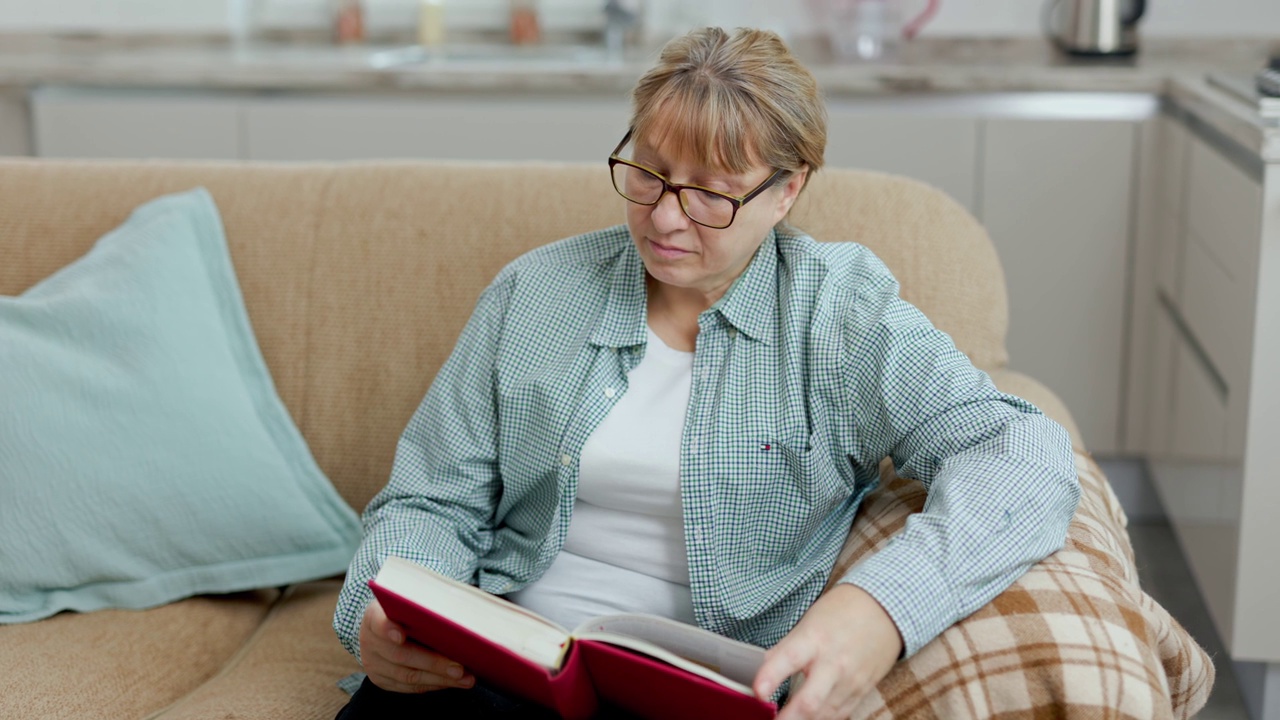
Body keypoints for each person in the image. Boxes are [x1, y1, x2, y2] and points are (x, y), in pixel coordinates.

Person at [332, 26, 1080, 720]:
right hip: (495, 670)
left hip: (691, 693)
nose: (663, 218)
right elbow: (428, 500)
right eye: (649, 174)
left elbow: (1021, 452)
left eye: (710, 193)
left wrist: (880, 610)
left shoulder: (840, 318)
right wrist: (384, 610)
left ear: (788, 190)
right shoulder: (534, 294)